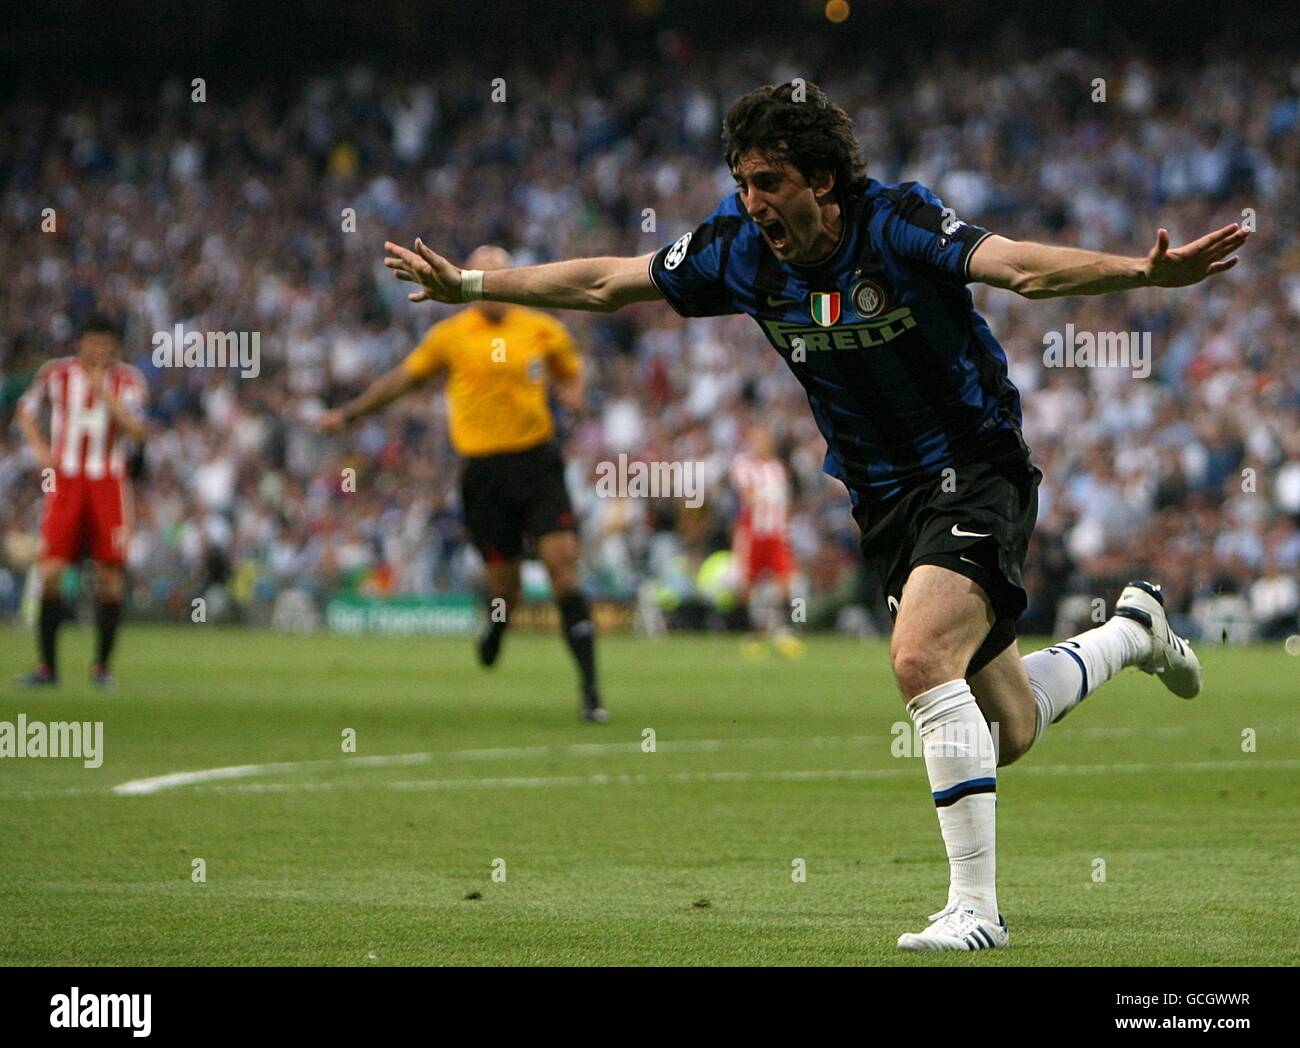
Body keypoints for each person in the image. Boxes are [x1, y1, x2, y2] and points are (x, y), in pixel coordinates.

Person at [380, 82, 1248, 950]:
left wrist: (1141, 271)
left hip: (975, 467)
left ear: (824, 181)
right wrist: (473, 283)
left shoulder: (895, 224)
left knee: (918, 657)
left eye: (770, 181)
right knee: (1004, 728)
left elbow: (1019, 267)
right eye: (743, 181)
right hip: (882, 500)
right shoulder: (735, 249)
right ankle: (1134, 629)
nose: (752, 201)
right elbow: (612, 281)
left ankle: (975, 911)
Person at [321, 246, 606, 722]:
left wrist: (574, 397)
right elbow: (402, 381)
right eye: (484, 277)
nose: (493, 286)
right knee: (505, 590)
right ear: (470, 280)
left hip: (538, 464)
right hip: (484, 474)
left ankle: (591, 692)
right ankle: (496, 627)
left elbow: (572, 378)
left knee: (563, 568)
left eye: (502, 276)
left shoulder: (543, 329)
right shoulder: (450, 336)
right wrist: (352, 413)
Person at [15, 313, 149, 688]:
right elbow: (25, 411)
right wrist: (41, 449)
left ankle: (101, 668)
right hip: (66, 482)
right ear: (80, 342)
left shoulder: (128, 381)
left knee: (109, 577)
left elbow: (140, 431)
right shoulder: (54, 374)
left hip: (108, 482)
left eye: (106, 344)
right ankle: (47, 668)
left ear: (114, 347)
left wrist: (105, 393)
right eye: (92, 342)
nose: (98, 350)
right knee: (51, 572)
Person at [730, 424, 801, 657]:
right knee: (747, 584)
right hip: (753, 533)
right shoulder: (743, 465)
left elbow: (785, 502)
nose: (763, 444)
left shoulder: (777, 468)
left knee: (786, 581)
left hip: (775, 533)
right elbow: (748, 495)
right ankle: (753, 633)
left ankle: (782, 628)